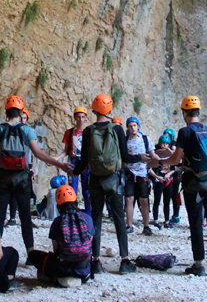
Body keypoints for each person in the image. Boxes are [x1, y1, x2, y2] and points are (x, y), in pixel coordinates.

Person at [0, 96, 68, 257]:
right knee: (25, 217)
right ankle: (30, 254)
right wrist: (60, 164)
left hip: (3, 178)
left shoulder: (0, 130)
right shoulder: (27, 130)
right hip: (23, 179)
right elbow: (38, 153)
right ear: (21, 112)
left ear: (6, 112)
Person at [153, 96, 207, 277]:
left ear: (185, 112)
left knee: (196, 223)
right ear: (198, 111)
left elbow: (175, 159)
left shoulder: (185, 132)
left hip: (193, 183)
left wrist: (159, 161)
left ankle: (199, 265)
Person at [70, 94, 143, 276]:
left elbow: (84, 161)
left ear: (94, 110)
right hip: (114, 180)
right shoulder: (117, 129)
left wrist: (73, 172)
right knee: (119, 218)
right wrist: (141, 158)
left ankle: (95, 261)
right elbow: (125, 157)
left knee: (96, 219)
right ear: (109, 109)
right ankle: (125, 261)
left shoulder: (88, 131)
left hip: (95, 180)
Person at [29, 185, 95, 285]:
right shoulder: (87, 219)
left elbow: (56, 250)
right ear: (75, 200)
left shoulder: (57, 222)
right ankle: (80, 278)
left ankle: (56, 278)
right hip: (84, 270)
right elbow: (90, 244)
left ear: (58, 204)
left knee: (33, 255)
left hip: (63, 269)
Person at [124, 117, 154, 235]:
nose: (133, 128)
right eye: (130, 126)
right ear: (127, 128)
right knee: (129, 199)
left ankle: (146, 226)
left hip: (142, 173)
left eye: (134, 125)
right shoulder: (125, 141)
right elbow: (123, 157)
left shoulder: (145, 139)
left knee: (144, 200)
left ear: (138, 126)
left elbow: (153, 154)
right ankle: (129, 225)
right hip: (129, 173)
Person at [61, 107, 91, 214]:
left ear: (86, 118)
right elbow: (65, 151)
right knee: (72, 189)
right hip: (73, 161)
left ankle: (88, 214)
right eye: (78, 117)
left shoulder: (89, 132)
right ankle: (72, 213)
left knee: (86, 189)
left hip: (86, 162)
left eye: (83, 117)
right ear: (74, 117)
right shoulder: (69, 133)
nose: (80, 119)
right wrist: (55, 159)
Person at [149, 135, 175, 228]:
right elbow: (149, 168)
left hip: (168, 179)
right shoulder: (154, 154)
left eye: (166, 144)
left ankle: (167, 220)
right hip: (158, 179)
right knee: (157, 200)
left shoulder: (171, 154)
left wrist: (169, 174)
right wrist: (156, 177)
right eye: (163, 143)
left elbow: (175, 167)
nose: (164, 145)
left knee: (167, 201)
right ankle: (156, 219)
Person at [163, 128, 183, 225]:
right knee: (170, 194)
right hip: (170, 171)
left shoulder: (174, 145)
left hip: (176, 172)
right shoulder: (165, 144)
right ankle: (172, 215)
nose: (167, 136)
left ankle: (176, 215)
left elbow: (177, 158)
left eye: (168, 135)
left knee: (175, 194)